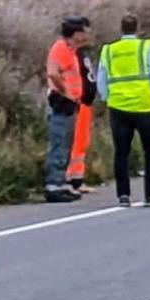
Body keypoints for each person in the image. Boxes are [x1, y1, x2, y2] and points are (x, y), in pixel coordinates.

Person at [98, 13, 150, 208]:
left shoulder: (109, 50)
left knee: (121, 152)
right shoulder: (145, 47)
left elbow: (102, 77)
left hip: (118, 106)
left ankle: (123, 195)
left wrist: (106, 97)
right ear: (137, 28)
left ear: (121, 29)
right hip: (145, 105)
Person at [42, 17, 93, 203]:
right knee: (59, 143)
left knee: (66, 144)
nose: (86, 35)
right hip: (61, 103)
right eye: (83, 31)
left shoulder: (71, 50)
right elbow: (53, 72)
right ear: (76, 32)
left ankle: (61, 181)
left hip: (71, 103)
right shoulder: (61, 48)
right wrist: (64, 91)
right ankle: (54, 184)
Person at [67, 34, 99, 194]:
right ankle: (72, 179)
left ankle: (77, 178)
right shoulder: (73, 55)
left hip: (85, 104)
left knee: (82, 142)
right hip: (78, 103)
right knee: (76, 142)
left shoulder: (83, 55)